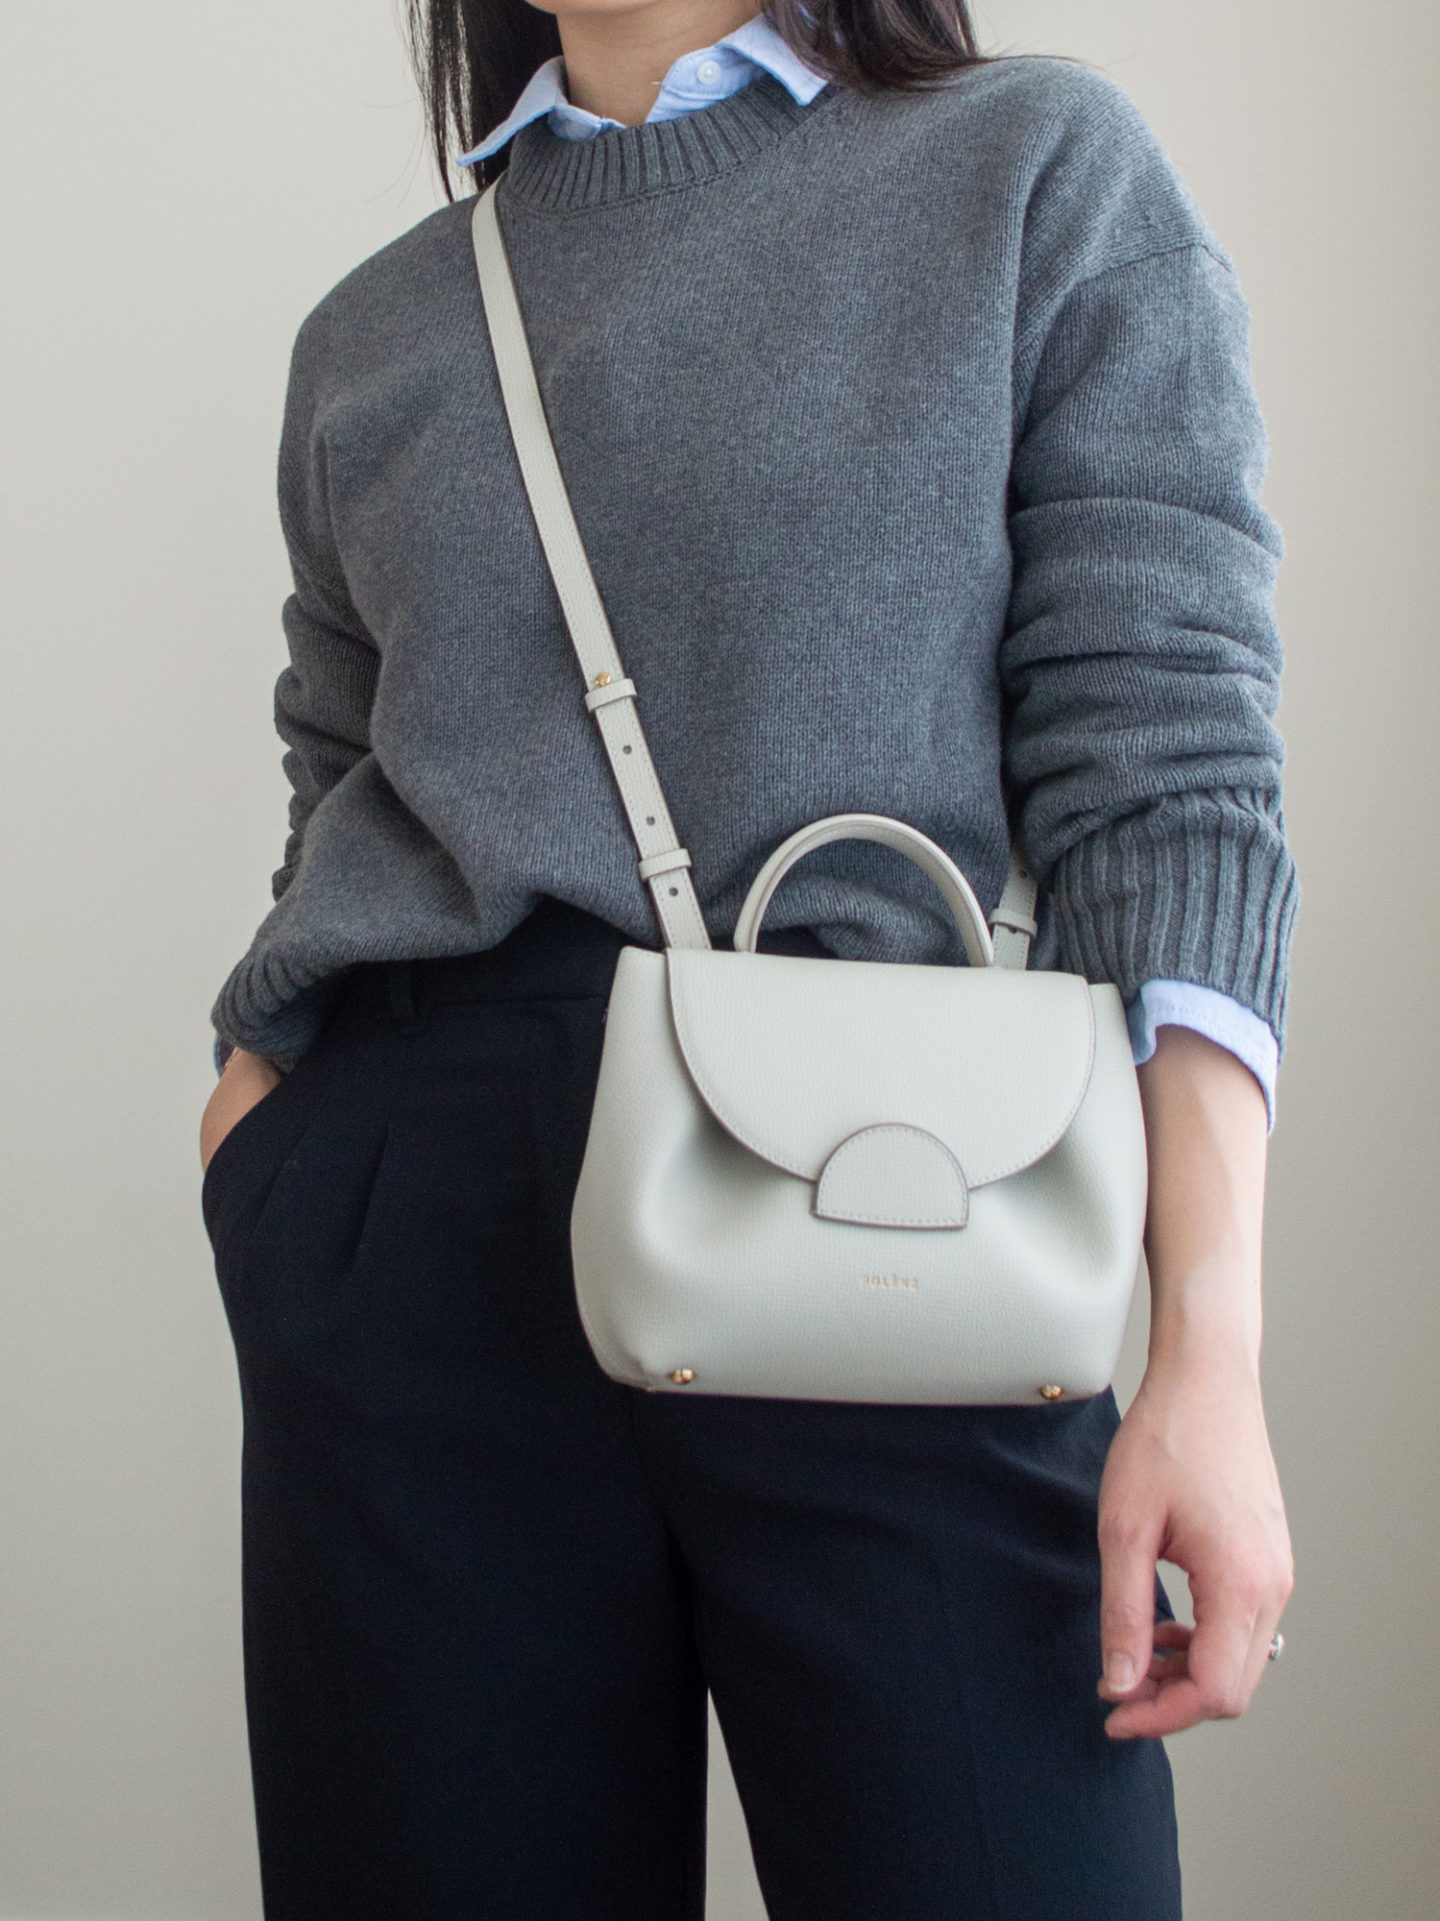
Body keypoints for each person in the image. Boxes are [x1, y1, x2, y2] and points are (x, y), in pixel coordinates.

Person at [199, 3, 1296, 1915]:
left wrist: (1209, 1347)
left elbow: (1165, 754)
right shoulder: (375, 328)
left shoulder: (1032, 170)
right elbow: (341, 772)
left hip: (885, 1198)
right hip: (414, 1231)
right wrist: (265, 1119)